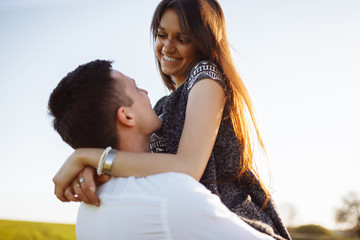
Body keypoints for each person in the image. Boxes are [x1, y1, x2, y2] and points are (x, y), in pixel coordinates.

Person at [52, 1, 291, 239]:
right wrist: (95, 169)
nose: (167, 47)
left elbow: (187, 168)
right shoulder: (161, 109)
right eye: (161, 35)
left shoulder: (206, 77)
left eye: (182, 39)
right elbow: (140, 165)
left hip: (240, 224)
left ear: (202, 42)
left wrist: (89, 156)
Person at [48, 59, 275, 239]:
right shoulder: (169, 194)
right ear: (126, 116)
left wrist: (88, 158)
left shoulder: (87, 211)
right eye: (136, 89)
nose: (146, 92)